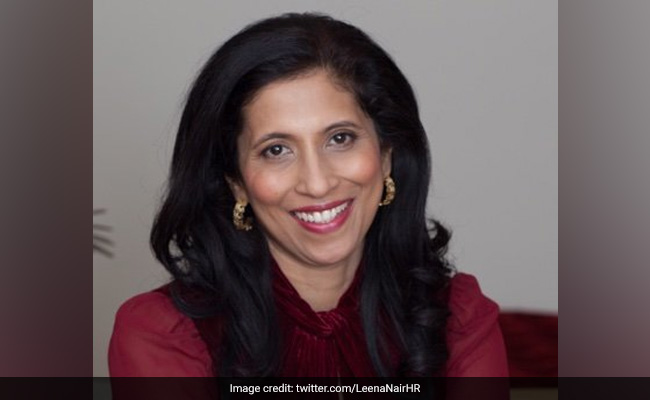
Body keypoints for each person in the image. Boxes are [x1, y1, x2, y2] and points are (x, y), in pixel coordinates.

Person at [109, 12, 508, 378]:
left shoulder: (460, 317)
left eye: (340, 138)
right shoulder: (163, 333)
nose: (316, 184)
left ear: (386, 155)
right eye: (276, 150)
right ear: (236, 181)